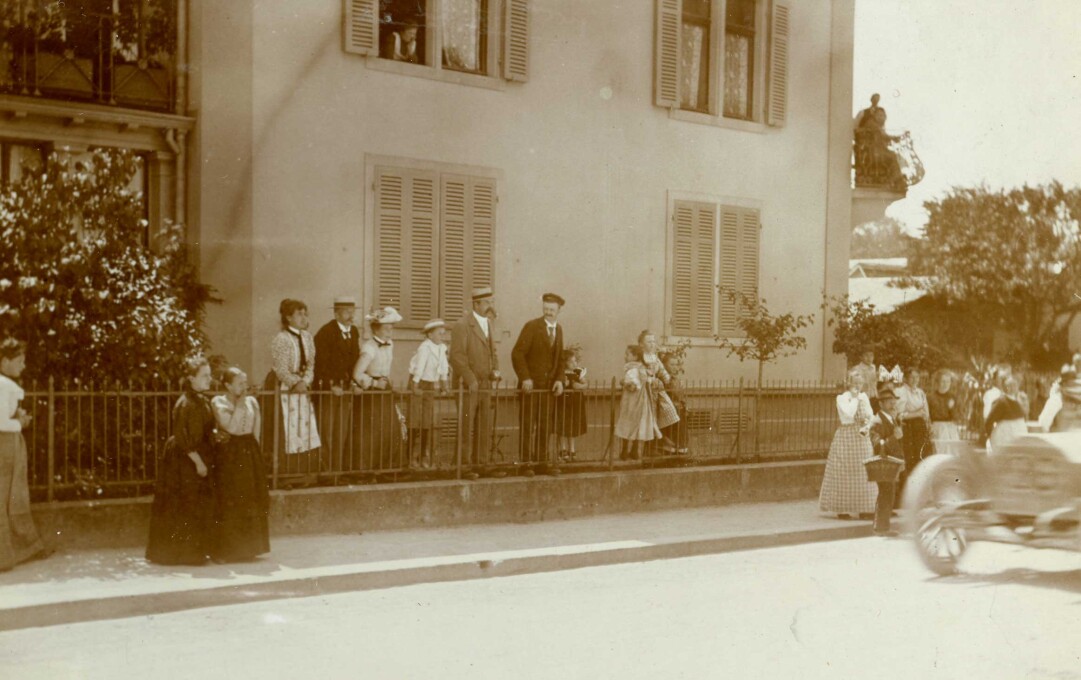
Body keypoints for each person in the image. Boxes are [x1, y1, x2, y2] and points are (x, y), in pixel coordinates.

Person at [146, 356, 217, 566]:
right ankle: (181, 554)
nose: (209, 379)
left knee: (194, 504)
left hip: (194, 456)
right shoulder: (186, 403)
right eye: (204, 376)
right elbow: (183, 437)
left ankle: (193, 552)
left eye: (209, 375)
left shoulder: (201, 400)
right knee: (184, 504)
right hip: (184, 459)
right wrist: (199, 462)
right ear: (191, 379)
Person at [210, 367, 270, 562]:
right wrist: (241, 404)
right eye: (240, 383)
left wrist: (255, 453)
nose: (245, 387)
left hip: (248, 451)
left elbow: (256, 429)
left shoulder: (252, 401)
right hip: (230, 454)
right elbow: (232, 427)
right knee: (231, 498)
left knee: (250, 497)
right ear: (228, 385)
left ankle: (249, 548)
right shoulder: (219, 402)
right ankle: (228, 550)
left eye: (245, 383)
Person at [0, 339, 48, 571]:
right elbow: (0, 423)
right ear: (5, 360)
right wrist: (19, 422)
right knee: (6, 498)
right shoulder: (3, 385)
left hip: (8, 443)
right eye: (19, 361)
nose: (23, 365)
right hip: (4, 445)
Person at [266, 299, 321, 481]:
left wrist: (305, 381)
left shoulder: (308, 337)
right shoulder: (281, 339)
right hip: (284, 386)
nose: (304, 317)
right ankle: (286, 475)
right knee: (287, 429)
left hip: (302, 387)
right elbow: (280, 369)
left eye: (305, 313)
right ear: (288, 317)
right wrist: (295, 383)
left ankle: (304, 474)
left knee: (303, 427)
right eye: (299, 314)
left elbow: (311, 364)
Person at [511, 292, 566, 476]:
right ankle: (526, 463)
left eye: (552, 310)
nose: (548, 313)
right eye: (546, 309)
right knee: (528, 426)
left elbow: (560, 360)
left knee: (545, 426)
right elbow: (517, 353)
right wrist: (525, 377)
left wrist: (559, 380)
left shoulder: (559, 330)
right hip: (531, 388)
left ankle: (542, 462)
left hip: (548, 389)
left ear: (559, 311)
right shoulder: (532, 327)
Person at [450, 287, 502, 480]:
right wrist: (470, 378)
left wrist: (495, 370)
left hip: (485, 385)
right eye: (487, 302)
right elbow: (456, 356)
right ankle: (463, 466)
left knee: (483, 425)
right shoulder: (462, 325)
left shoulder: (488, 323)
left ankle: (481, 464)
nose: (490, 306)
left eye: (491, 302)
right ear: (476, 304)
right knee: (466, 424)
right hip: (468, 385)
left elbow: (492, 351)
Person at [818, 370, 876, 519]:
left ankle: (864, 509)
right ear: (849, 383)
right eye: (855, 383)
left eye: (860, 383)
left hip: (861, 436)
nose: (857, 386)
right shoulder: (842, 398)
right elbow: (849, 414)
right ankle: (842, 509)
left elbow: (870, 415)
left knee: (863, 472)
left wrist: (867, 424)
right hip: (847, 436)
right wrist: (855, 398)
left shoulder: (864, 397)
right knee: (844, 471)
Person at [313, 296, 362, 473]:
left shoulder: (354, 331)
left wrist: (355, 382)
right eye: (347, 312)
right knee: (327, 430)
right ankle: (325, 470)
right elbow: (319, 363)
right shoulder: (326, 332)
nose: (351, 315)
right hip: (329, 389)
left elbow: (355, 359)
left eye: (353, 311)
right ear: (336, 314)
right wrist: (330, 385)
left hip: (346, 388)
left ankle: (338, 469)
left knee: (342, 429)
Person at [353, 306, 405, 472]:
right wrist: (375, 384)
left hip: (385, 390)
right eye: (386, 328)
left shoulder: (390, 344)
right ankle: (367, 469)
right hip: (372, 393)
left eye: (391, 328)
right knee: (372, 432)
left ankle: (388, 468)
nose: (390, 331)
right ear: (376, 329)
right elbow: (357, 373)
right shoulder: (369, 348)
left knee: (390, 429)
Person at [408, 319, 450, 469]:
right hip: (418, 382)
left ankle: (423, 456)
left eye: (443, 333)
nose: (442, 336)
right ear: (430, 334)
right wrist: (415, 385)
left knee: (427, 421)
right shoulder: (424, 348)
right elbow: (419, 367)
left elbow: (444, 367)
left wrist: (444, 384)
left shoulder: (441, 348)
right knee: (415, 420)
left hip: (430, 385)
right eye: (439, 333)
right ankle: (411, 457)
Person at [868, 384, 905, 537]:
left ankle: (884, 527)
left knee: (889, 493)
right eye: (889, 401)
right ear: (881, 404)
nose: (893, 404)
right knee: (885, 493)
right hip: (884, 463)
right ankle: (881, 528)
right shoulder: (877, 420)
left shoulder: (891, 418)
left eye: (894, 400)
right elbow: (877, 443)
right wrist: (893, 438)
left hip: (892, 462)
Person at [615, 345, 661, 461]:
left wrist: (624, 383)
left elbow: (633, 386)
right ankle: (633, 451)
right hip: (641, 401)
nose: (625, 357)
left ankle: (626, 451)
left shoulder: (632, 369)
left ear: (635, 357)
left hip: (632, 401)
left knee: (628, 423)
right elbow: (647, 381)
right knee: (637, 424)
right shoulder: (642, 368)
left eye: (627, 354)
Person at [638, 330, 680, 453]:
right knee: (650, 418)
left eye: (653, 341)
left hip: (657, 392)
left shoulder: (654, 357)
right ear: (641, 344)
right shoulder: (640, 358)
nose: (652, 344)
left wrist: (667, 380)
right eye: (648, 341)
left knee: (669, 410)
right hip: (645, 392)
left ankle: (660, 440)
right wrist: (650, 380)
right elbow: (639, 373)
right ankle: (650, 447)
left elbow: (661, 370)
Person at [895, 367, 931, 500]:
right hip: (909, 429)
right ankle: (906, 495)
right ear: (906, 378)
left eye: (917, 377)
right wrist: (916, 413)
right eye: (912, 377)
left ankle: (919, 494)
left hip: (920, 429)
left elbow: (926, 413)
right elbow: (899, 415)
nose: (915, 380)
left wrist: (928, 423)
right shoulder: (901, 392)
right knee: (909, 459)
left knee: (921, 459)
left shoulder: (920, 392)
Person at [553, 347, 588, 462]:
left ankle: (572, 449)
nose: (574, 363)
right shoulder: (561, 373)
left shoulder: (578, 372)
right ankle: (562, 450)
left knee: (572, 426)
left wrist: (580, 386)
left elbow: (585, 383)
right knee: (562, 426)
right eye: (571, 361)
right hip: (563, 402)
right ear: (565, 362)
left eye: (575, 361)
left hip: (575, 402)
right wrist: (565, 383)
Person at [983, 377, 1028, 454]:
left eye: (1015, 385)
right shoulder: (1001, 402)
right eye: (1010, 385)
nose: (1013, 388)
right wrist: (990, 435)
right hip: (1005, 437)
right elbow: (989, 420)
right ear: (1006, 387)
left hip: (1019, 439)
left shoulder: (1019, 400)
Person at [659, 351, 690, 454]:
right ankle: (679, 446)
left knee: (682, 413)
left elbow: (681, 395)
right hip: (665, 409)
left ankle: (681, 446)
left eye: (676, 364)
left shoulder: (675, 379)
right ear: (664, 365)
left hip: (677, 408)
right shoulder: (664, 379)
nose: (675, 367)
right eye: (671, 364)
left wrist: (684, 403)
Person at [927, 369, 960, 446]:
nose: (946, 384)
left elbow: (957, 417)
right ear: (938, 382)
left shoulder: (953, 397)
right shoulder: (930, 397)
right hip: (936, 429)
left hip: (950, 429)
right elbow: (927, 416)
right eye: (943, 381)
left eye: (948, 381)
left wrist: (951, 408)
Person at [851, 346, 878, 412]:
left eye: (871, 356)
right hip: (863, 399)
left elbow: (874, 384)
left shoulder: (873, 367)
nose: (869, 358)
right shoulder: (857, 369)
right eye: (866, 355)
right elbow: (855, 386)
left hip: (874, 398)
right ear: (861, 357)